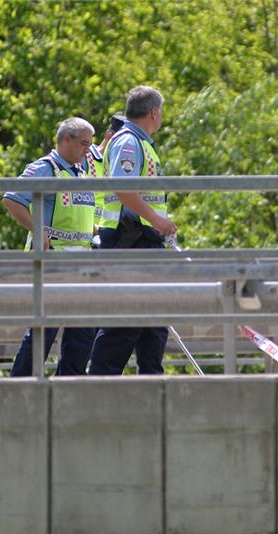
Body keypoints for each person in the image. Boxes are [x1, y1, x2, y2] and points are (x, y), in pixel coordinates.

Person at [88, 86, 178, 375]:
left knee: (153, 325)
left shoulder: (141, 142)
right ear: (154, 112)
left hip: (144, 241)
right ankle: (95, 391)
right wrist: (158, 221)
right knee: (125, 323)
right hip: (130, 241)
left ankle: (153, 394)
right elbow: (123, 187)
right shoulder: (129, 141)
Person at [1, 117, 97, 376]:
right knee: (44, 332)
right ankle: (19, 391)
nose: (87, 150)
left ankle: (68, 393)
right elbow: (12, 199)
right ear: (67, 139)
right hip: (53, 263)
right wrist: (37, 228)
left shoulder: (80, 172)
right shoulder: (45, 168)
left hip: (80, 266)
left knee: (83, 334)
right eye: (84, 144)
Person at [85, 112, 126, 226]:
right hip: (81, 237)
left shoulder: (121, 167)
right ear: (109, 136)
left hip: (106, 238)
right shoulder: (83, 158)